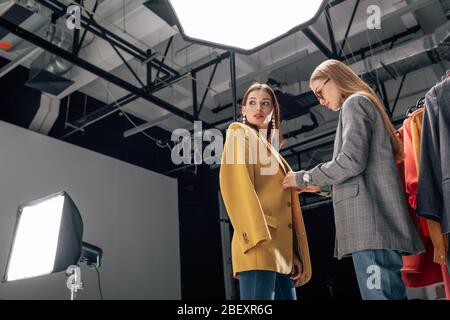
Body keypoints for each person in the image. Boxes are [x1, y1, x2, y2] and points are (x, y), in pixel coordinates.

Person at [282, 59, 425, 300]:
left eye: (320, 92)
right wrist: (319, 186)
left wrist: (303, 177)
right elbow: (359, 170)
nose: (320, 101)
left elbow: (350, 161)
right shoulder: (363, 104)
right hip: (374, 229)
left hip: (370, 228)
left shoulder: (355, 103)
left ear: (335, 79)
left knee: (379, 296)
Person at [219, 83, 311, 300]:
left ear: (273, 112)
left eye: (265, 103)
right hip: (258, 243)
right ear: (243, 110)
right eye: (252, 102)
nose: (258, 107)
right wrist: (253, 239)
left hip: (281, 253)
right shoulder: (238, 132)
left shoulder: (274, 153)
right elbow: (236, 185)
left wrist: (292, 253)